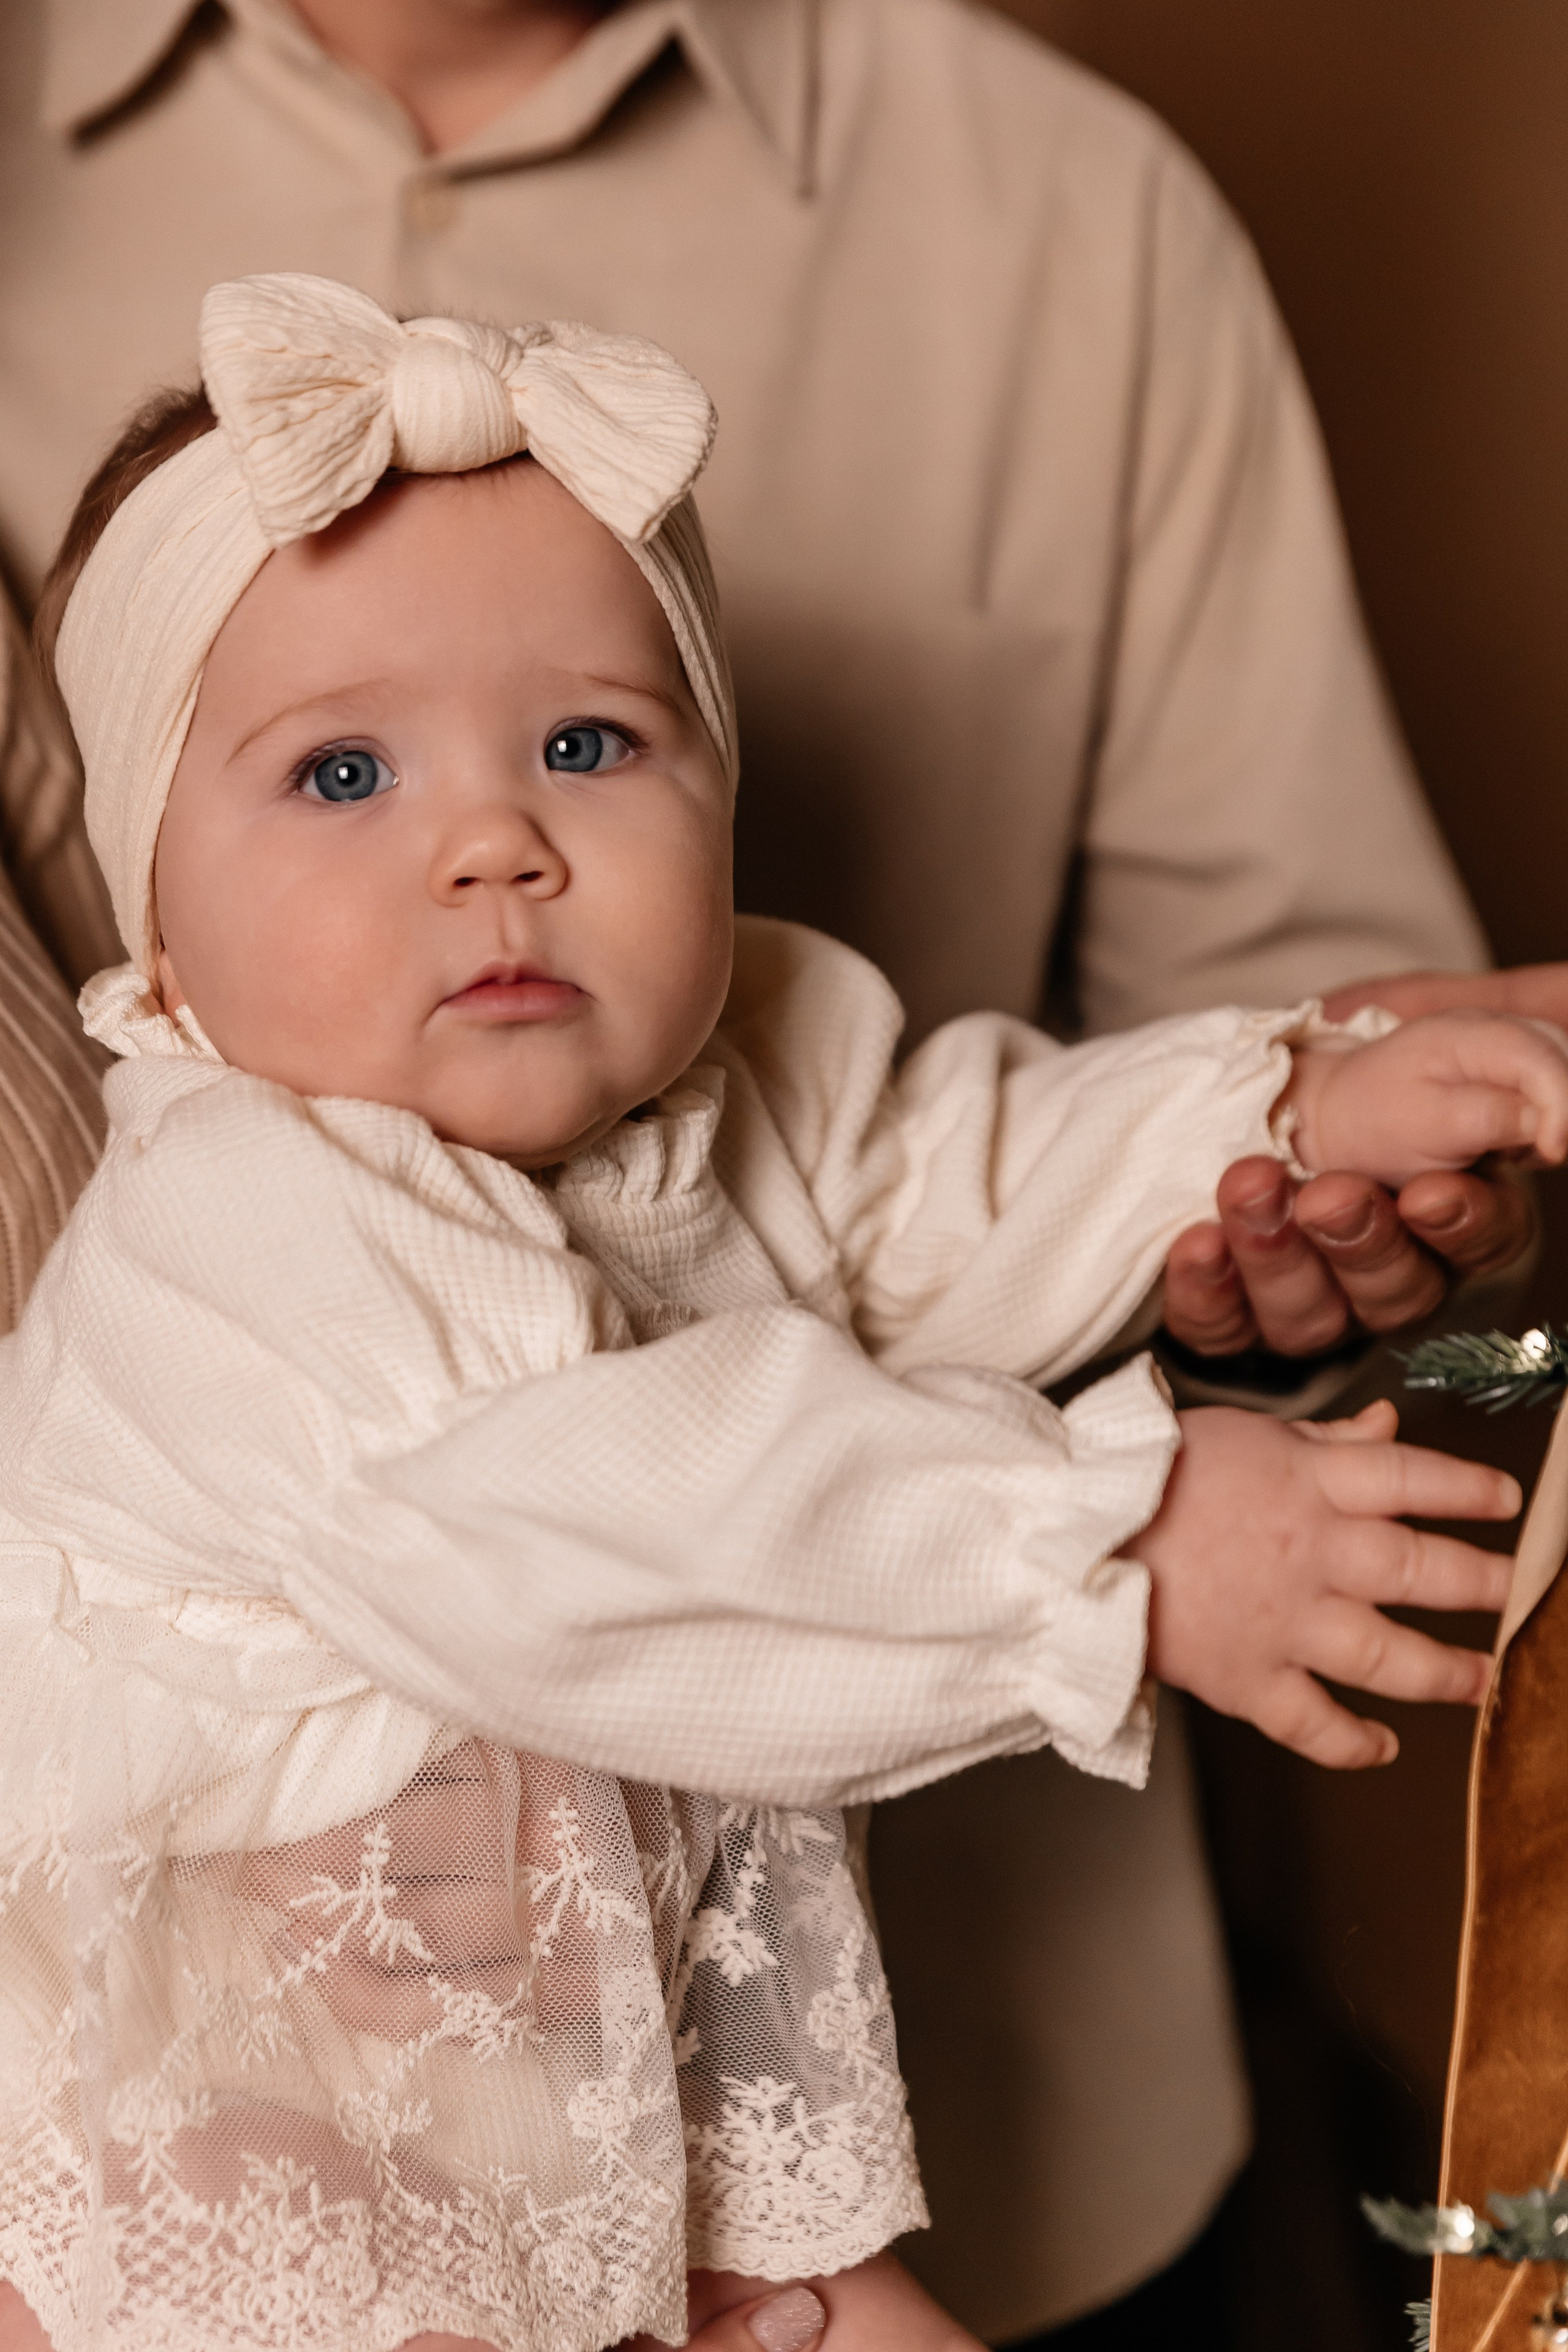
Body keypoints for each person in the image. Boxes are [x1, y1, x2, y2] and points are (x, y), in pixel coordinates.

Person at [0, 4, 1561, 2339]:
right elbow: (601, 1520)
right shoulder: (239, 1224)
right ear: (155, 922)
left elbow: (964, 1166)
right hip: (267, 2182)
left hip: (656, 2103)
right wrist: (1114, 1549)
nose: (495, 841)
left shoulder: (736, 1065)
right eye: (340, 779)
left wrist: (1289, 1098)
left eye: (589, 740)